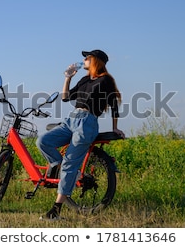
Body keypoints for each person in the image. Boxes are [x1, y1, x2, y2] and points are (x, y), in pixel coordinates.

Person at [36, 49, 125, 220]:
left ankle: (55, 211)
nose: (84, 59)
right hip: (71, 120)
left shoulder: (105, 80)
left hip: (87, 123)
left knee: (70, 163)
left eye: (87, 58)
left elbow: (114, 104)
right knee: (43, 141)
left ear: (96, 61)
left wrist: (115, 127)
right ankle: (67, 171)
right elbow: (65, 97)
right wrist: (68, 77)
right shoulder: (84, 79)